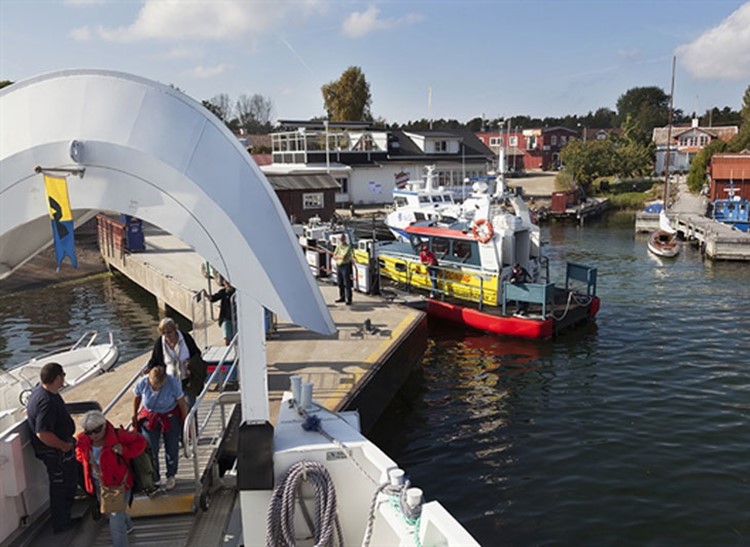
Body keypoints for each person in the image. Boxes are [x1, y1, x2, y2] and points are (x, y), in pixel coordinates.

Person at [76, 410, 146, 546]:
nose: (93, 435)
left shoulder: (118, 436)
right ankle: (128, 525)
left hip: (120, 485)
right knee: (114, 512)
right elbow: (78, 453)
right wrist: (86, 458)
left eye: (96, 430)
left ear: (104, 425)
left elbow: (140, 442)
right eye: (89, 432)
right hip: (99, 484)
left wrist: (124, 451)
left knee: (115, 520)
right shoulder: (83, 439)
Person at [25, 362, 81, 534]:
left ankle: (64, 518)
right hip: (56, 452)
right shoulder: (46, 402)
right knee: (62, 485)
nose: (64, 379)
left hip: (59, 448)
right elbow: (42, 433)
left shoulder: (43, 393)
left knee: (69, 480)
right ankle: (61, 523)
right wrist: (63, 446)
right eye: (62, 375)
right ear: (57, 378)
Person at [132, 366, 188, 491]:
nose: (156, 388)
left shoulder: (173, 383)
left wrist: (185, 422)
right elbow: (137, 397)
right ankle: (155, 476)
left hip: (169, 414)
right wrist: (135, 415)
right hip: (150, 415)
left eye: (159, 386)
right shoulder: (143, 382)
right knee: (151, 448)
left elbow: (182, 403)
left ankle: (171, 475)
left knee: (172, 446)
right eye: (153, 385)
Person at [146, 317, 204, 409]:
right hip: (170, 382)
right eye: (163, 333)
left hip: (187, 380)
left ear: (175, 329)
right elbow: (155, 359)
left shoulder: (186, 338)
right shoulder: (160, 342)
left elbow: (197, 353)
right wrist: (149, 368)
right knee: (173, 408)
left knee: (189, 407)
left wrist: (190, 364)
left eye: (169, 332)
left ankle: (191, 423)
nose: (166, 335)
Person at [202, 277, 236, 346]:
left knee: (235, 337)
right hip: (226, 318)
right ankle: (228, 348)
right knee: (227, 337)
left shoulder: (236, 292)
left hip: (235, 318)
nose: (227, 284)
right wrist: (207, 295)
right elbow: (213, 298)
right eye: (226, 282)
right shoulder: (223, 292)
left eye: (228, 283)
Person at [333, 233, 353, 305]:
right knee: (340, 282)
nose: (341, 240)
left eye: (342, 239)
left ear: (344, 239)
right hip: (339, 265)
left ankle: (349, 298)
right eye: (340, 239)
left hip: (345, 265)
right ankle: (342, 297)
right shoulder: (338, 246)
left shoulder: (347, 247)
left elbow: (343, 257)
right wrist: (338, 256)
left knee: (347, 283)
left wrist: (338, 256)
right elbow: (334, 255)